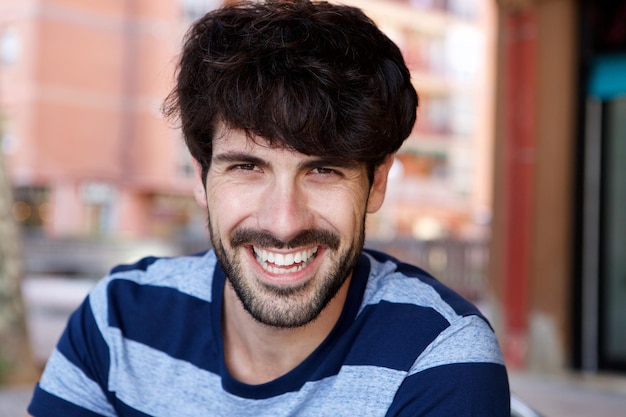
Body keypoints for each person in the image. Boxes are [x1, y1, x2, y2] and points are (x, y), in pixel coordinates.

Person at [27, 1, 510, 415]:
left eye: (323, 171)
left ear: (376, 182)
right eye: (247, 168)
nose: (284, 222)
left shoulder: (437, 358)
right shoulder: (117, 324)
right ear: (201, 177)